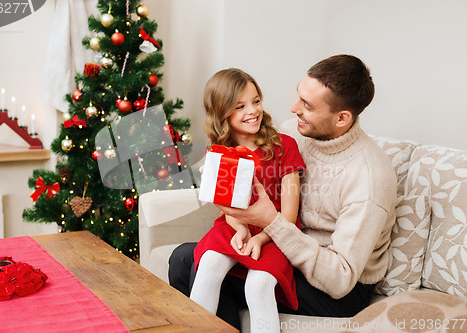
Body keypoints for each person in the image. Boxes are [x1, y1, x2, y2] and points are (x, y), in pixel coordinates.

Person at [169, 55, 397, 330]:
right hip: (285, 245)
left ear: (342, 118)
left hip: (334, 285)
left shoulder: (369, 180)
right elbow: (253, 159)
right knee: (186, 258)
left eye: (307, 105)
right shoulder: (297, 133)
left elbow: (339, 280)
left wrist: (270, 224)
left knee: (192, 264)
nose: (293, 108)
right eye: (299, 96)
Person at [190, 68, 305, 333]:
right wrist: (241, 229)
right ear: (222, 114)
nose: (252, 111)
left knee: (259, 284)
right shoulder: (220, 152)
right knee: (208, 264)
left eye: (256, 101)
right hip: (236, 225)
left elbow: (289, 215)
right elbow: (229, 207)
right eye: (240, 106)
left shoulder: (285, 146)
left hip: (277, 232)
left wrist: (260, 238)